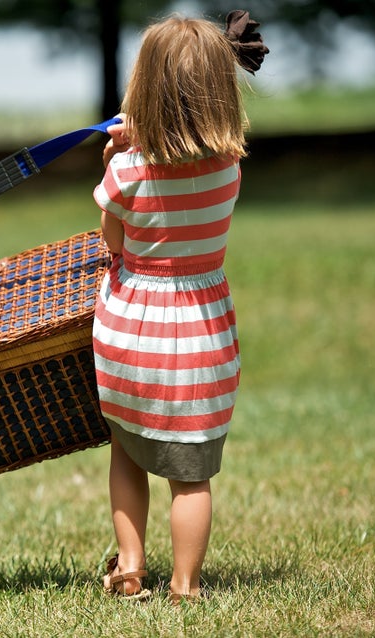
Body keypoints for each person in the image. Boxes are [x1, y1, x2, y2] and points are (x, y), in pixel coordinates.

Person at [91, 11, 268, 604]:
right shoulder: (229, 168)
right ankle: (186, 585)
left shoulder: (126, 168)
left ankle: (131, 566)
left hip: (130, 337)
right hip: (200, 338)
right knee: (192, 478)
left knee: (127, 452)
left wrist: (121, 152)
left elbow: (112, 242)